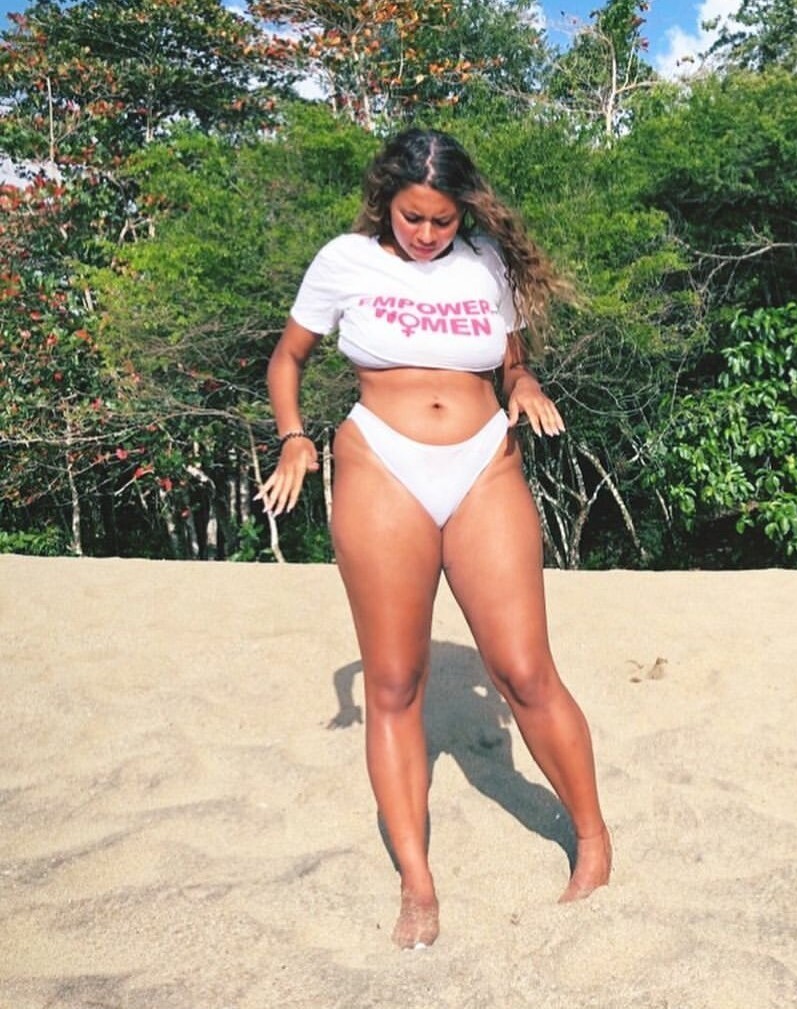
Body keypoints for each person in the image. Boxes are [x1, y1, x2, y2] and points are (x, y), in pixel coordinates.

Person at [257, 128, 612, 949]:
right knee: (392, 682)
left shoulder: (486, 262)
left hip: (484, 462)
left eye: (442, 220)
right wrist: (292, 436)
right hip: (382, 464)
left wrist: (523, 381)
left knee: (525, 671)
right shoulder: (345, 261)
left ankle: (592, 839)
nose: (426, 233)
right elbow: (288, 359)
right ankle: (417, 884)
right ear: (386, 201)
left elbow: (509, 359)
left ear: (464, 212)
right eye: (412, 217)